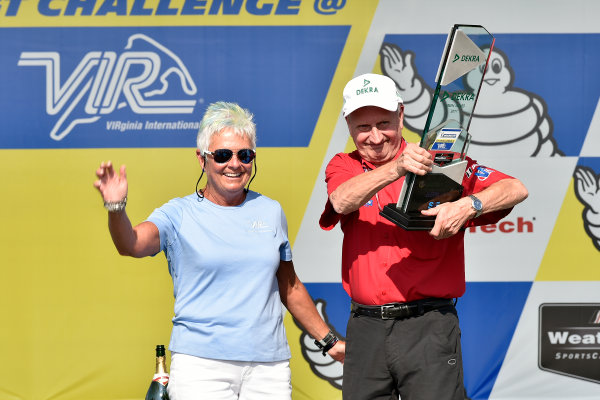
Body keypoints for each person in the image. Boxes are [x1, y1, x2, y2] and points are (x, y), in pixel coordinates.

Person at [94, 101, 344, 400]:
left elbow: (288, 285)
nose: (235, 164)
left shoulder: (270, 211)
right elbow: (131, 244)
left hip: (269, 367)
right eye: (223, 155)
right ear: (202, 160)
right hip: (202, 367)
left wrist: (330, 341)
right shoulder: (178, 213)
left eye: (245, 154)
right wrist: (115, 207)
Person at [319, 73, 528, 400]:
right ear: (348, 124)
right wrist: (398, 168)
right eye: (362, 127)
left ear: (401, 115)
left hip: (428, 326)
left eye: (384, 123)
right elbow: (341, 200)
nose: (374, 137)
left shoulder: (442, 163)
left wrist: (468, 205)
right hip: (365, 327)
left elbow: (516, 188)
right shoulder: (343, 164)